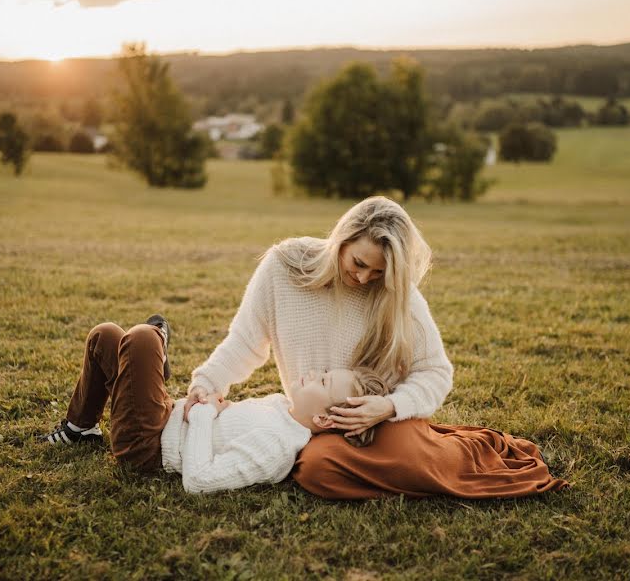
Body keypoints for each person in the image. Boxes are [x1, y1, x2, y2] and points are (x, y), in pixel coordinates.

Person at [185, 196, 567, 499]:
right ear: (342, 238)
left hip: (380, 422)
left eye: (379, 273)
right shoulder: (284, 268)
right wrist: (208, 383)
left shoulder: (398, 295)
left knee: (407, 464)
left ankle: (461, 452)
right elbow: (246, 342)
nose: (365, 277)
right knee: (317, 470)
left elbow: (435, 372)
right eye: (359, 263)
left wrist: (389, 406)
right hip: (315, 425)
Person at [41, 313, 388, 493]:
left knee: (143, 339)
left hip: (147, 447)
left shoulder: (278, 449)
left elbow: (199, 481)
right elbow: (226, 420)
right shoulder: (282, 406)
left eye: (323, 381)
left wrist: (206, 414)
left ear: (326, 420)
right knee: (106, 336)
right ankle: (80, 428)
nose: (313, 373)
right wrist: (214, 402)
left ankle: (157, 341)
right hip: (166, 414)